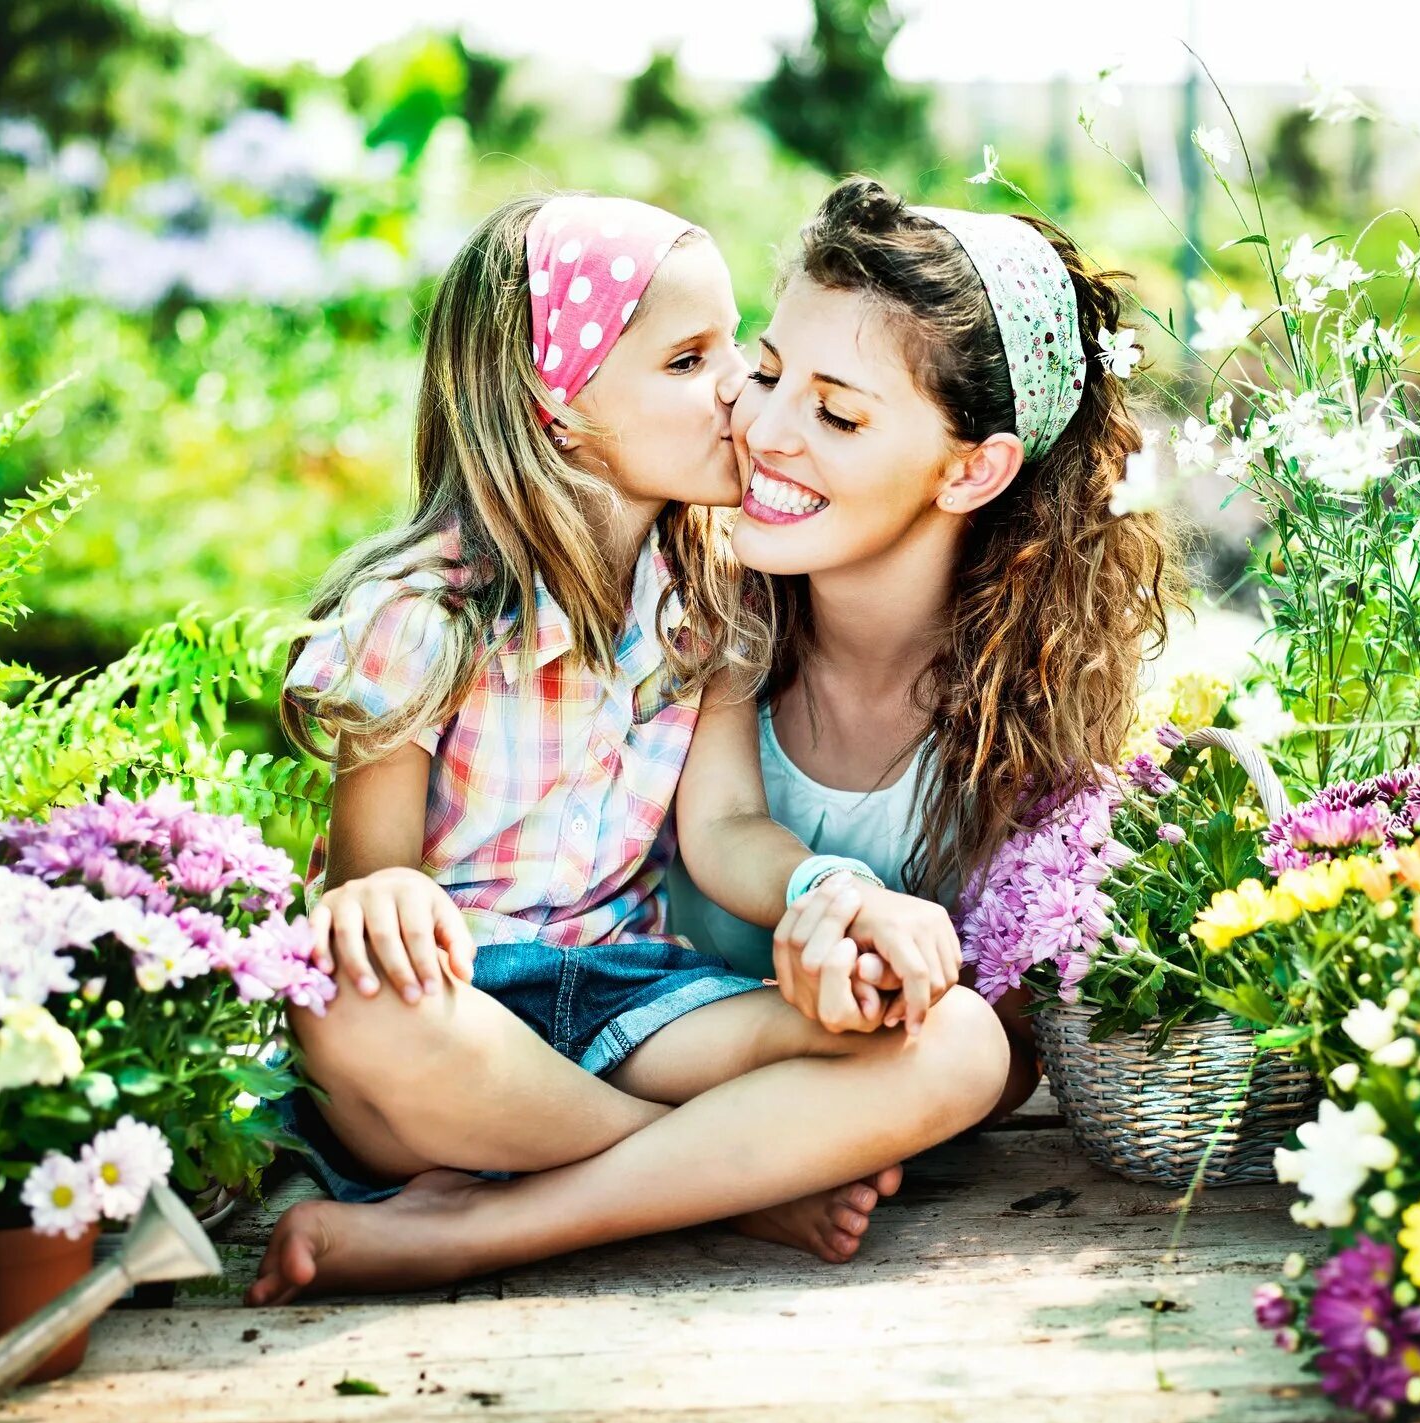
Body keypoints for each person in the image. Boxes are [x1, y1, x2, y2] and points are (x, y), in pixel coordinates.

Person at [248, 192, 1006, 1305]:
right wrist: (380, 898)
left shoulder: (705, 605)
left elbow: (724, 831)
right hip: (455, 1011)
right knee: (341, 998)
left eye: (731, 352)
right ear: (556, 411)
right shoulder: (421, 616)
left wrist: (833, 893)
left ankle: (488, 1222)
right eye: (689, 361)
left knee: (958, 1045)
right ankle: (725, 1182)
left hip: (626, 997)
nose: (740, 395)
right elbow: (374, 877)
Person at [671, 177, 1184, 1118]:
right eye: (769, 373)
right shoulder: (692, 618)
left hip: (825, 1129)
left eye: (837, 414)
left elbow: (1017, 1052)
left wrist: (878, 981)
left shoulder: (1032, 717)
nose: (765, 431)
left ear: (970, 468)